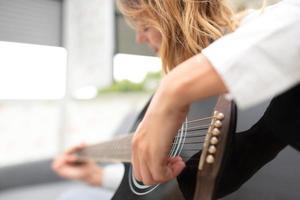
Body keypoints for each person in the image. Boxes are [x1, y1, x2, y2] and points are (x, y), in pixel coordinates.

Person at [131, 0, 300, 189]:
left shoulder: (254, 27)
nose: (138, 39)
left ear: (171, 19)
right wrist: (101, 176)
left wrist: (172, 89)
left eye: (144, 27)